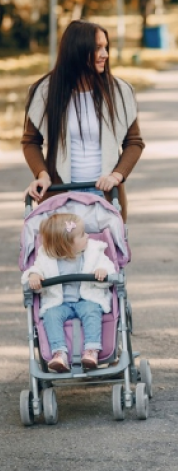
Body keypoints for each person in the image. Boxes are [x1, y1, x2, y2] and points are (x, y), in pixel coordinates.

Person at [22, 20, 145, 222]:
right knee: (60, 253)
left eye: (106, 47)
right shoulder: (46, 92)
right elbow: (30, 141)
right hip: (60, 194)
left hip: (105, 195)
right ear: (77, 50)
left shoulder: (120, 92)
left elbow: (134, 142)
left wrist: (116, 176)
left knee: (104, 254)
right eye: (98, 48)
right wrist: (42, 174)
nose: (105, 54)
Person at [21, 213, 116, 372]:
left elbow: (109, 268)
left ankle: (91, 350)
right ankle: (59, 352)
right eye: (82, 235)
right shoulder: (46, 257)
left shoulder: (94, 251)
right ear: (66, 245)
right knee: (51, 315)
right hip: (60, 303)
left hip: (86, 299)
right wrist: (34, 276)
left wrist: (102, 271)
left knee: (92, 311)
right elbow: (36, 268)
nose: (87, 236)